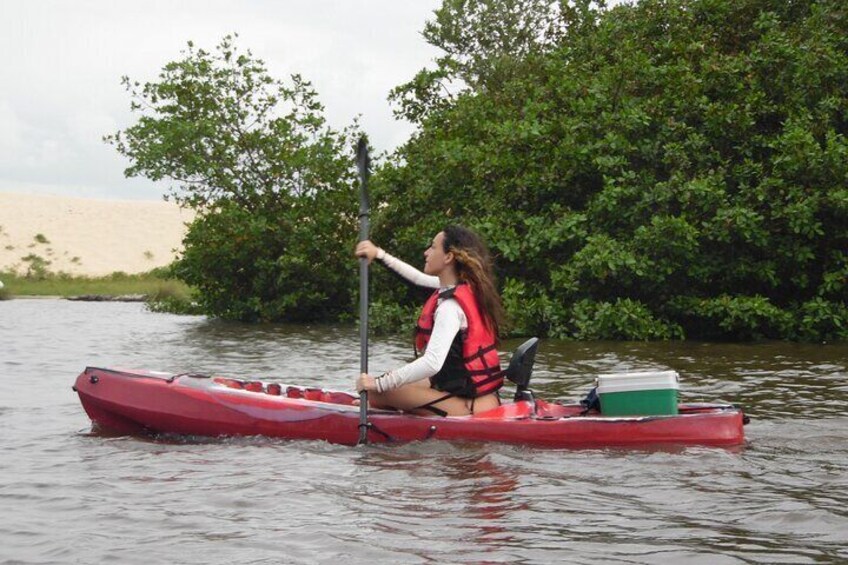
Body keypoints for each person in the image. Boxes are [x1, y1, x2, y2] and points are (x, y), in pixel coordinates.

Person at [354, 225, 506, 416]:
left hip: (469, 407)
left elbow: (432, 363)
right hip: (481, 398)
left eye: (433, 247)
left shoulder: (450, 307)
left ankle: (410, 416)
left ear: (448, 257)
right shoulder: (461, 289)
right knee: (390, 384)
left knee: (374, 393)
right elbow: (417, 279)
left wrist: (378, 384)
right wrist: (378, 254)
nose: (426, 252)